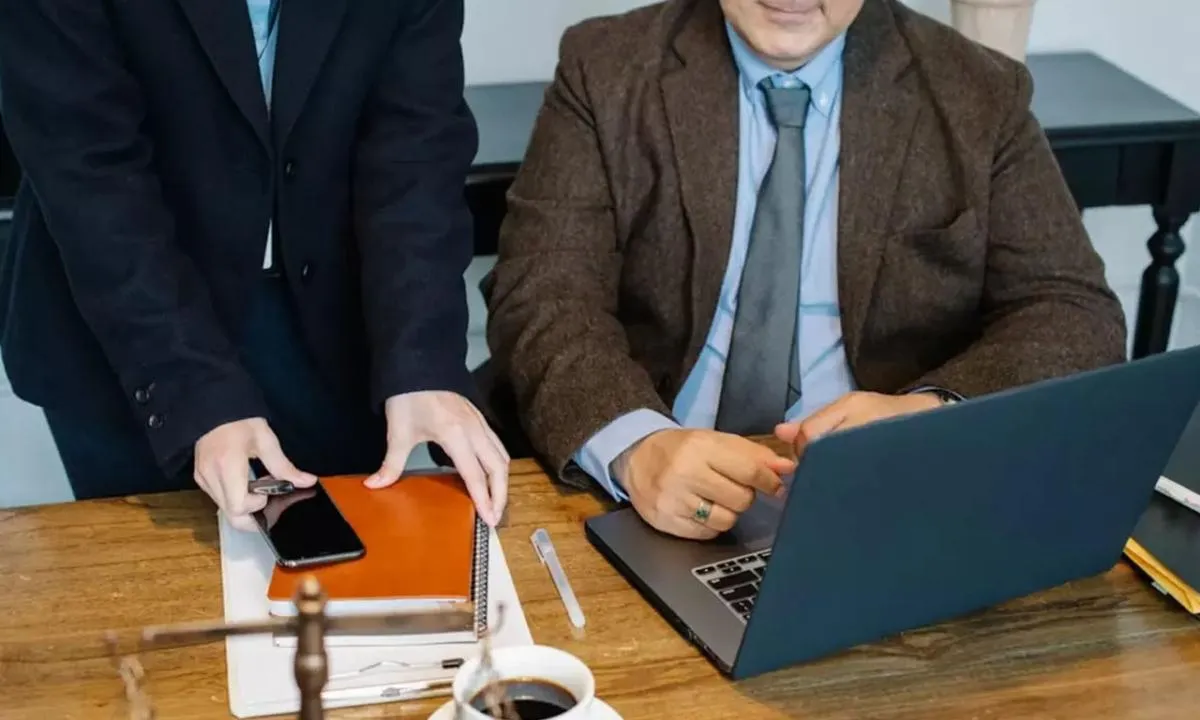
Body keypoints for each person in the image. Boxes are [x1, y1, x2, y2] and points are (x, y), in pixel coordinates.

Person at [484, 0, 1126, 540]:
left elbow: (1073, 311)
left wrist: (932, 413)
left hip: (876, 499)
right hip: (645, 490)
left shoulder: (978, 90)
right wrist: (636, 446)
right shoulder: (605, 65)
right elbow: (543, 292)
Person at [0, 0, 508, 530]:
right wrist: (196, 392)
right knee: (152, 568)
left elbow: (416, 152)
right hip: (129, 327)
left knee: (334, 556)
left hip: (331, 321)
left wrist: (422, 362)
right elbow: (93, 179)